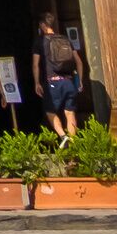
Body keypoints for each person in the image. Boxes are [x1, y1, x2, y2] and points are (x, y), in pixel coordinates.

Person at [36, 11, 85, 141]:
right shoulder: (65, 39)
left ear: (42, 25)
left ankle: (63, 137)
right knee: (70, 113)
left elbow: (35, 64)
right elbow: (79, 62)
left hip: (53, 82)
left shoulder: (40, 42)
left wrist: (37, 82)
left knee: (50, 111)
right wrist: (79, 80)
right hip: (69, 82)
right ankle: (74, 143)